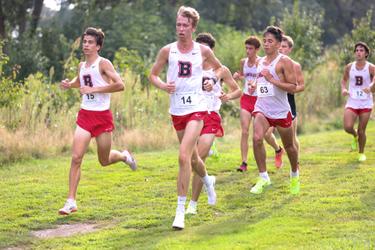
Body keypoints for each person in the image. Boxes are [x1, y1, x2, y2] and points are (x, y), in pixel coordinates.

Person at [149, 6, 222, 230]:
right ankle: (208, 180)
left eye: (185, 25)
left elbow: (220, 69)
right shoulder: (167, 51)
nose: (180, 29)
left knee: (182, 156)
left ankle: (179, 211)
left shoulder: (202, 50)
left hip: (197, 108)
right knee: (191, 158)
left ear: (193, 27)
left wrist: (213, 81)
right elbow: (152, 75)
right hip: (177, 109)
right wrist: (164, 85)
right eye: (178, 25)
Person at [58, 27, 137, 215]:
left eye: (90, 42)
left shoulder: (104, 64)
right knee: (76, 158)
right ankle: (70, 201)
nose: (86, 45)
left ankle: (124, 156)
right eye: (84, 41)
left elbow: (120, 85)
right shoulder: (81, 65)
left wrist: (94, 90)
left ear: (98, 46)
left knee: (104, 160)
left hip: (102, 117)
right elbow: (81, 80)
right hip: (85, 116)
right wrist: (70, 84)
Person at [186, 32, 241, 215]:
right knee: (193, 161)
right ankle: (209, 180)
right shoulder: (191, 68)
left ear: (211, 51)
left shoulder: (221, 70)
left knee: (199, 157)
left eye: (204, 49)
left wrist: (227, 96)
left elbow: (237, 90)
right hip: (193, 115)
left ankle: (192, 205)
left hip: (211, 116)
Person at [250, 26, 300, 195]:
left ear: (279, 44)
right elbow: (260, 81)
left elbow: (293, 87)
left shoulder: (284, 62)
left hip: (281, 110)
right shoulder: (259, 61)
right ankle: (263, 177)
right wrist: (253, 87)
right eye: (264, 41)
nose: (266, 44)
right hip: (262, 108)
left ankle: (294, 174)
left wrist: (272, 79)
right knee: (257, 138)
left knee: (290, 146)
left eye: (270, 41)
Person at [233, 36, 284, 172]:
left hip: (259, 100)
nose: (248, 51)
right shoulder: (243, 62)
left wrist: (256, 86)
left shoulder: (261, 62)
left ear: (256, 49)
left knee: (265, 135)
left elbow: (262, 79)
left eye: (250, 49)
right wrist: (239, 77)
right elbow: (245, 76)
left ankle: (278, 149)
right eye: (246, 48)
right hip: (246, 98)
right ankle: (244, 162)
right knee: (244, 131)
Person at [267, 35, 305, 160]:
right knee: (266, 134)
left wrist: (291, 89)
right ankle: (278, 149)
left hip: (288, 102)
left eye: (284, 47)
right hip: (271, 102)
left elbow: (301, 86)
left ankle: (296, 163)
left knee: (292, 138)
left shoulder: (295, 65)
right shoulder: (269, 62)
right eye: (280, 46)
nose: (281, 49)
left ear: (290, 49)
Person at [341, 42, 374, 162]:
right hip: (353, 101)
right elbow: (344, 80)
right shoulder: (349, 67)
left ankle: (361, 153)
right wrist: (344, 89)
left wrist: (370, 87)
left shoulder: (371, 67)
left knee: (362, 130)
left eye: (361, 50)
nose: (358, 52)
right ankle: (354, 136)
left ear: (366, 53)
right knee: (347, 127)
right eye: (357, 50)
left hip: (366, 102)